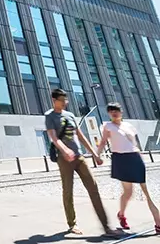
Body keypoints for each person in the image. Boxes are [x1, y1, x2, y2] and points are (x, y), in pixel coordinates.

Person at [45, 88, 120, 237]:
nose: (65, 103)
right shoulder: (50, 116)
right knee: (68, 191)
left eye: (66, 100)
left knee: (93, 187)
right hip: (64, 159)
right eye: (62, 100)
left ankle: (106, 227)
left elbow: (80, 135)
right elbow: (54, 137)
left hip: (79, 157)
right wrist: (65, 150)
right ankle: (72, 224)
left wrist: (94, 154)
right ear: (54, 100)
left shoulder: (70, 115)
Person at [96, 103, 160, 233]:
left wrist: (140, 157)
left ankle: (158, 223)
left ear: (121, 112)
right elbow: (103, 141)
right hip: (121, 159)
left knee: (146, 191)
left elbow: (134, 143)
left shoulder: (129, 126)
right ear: (108, 113)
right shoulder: (108, 126)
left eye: (116, 110)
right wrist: (98, 155)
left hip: (135, 158)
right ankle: (121, 214)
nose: (114, 113)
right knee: (128, 192)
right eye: (111, 111)